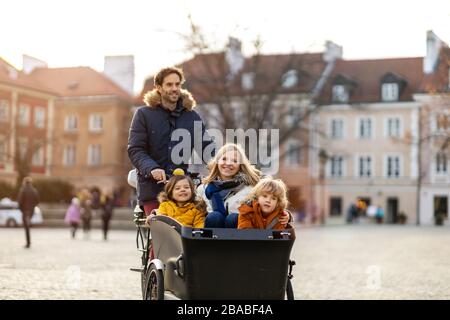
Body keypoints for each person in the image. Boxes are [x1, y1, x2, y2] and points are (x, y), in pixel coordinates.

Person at [128, 67, 215, 216]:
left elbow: (207, 149)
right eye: (169, 85)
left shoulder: (191, 116)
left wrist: (224, 165)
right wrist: (152, 168)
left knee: (188, 231)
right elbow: (135, 149)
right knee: (159, 231)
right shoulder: (143, 114)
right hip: (152, 189)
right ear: (159, 88)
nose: (174, 89)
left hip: (181, 189)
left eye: (177, 84)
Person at [197, 143, 291, 228]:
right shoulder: (203, 188)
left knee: (233, 218)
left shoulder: (252, 187)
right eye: (224, 159)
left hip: (240, 235)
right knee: (215, 216)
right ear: (217, 162)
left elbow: (271, 199)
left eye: (234, 160)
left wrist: (285, 214)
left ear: (240, 165)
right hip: (212, 236)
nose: (228, 163)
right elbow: (191, 209)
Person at [17, 177, 39, 249]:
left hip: (25, 211)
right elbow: (37, 201)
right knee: (27, 226)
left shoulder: (23, 190)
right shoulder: (34, 190)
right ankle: (28, 242)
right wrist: (32, 207)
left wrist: (22, 210)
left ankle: (28, 243)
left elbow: (19, 202)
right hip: (31, 211)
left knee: (26, 227)